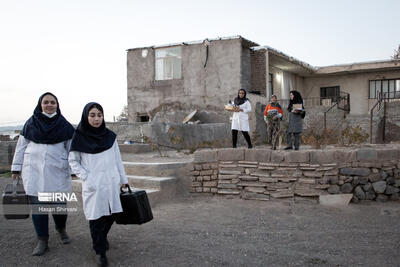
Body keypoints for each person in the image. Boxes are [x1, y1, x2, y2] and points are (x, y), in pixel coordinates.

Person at [11, 92, 75, 256]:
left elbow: (72, 150)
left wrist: (74, 169)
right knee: (38, 208)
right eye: (46, 102)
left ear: (57, 105)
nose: (49, 105)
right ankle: (42, 240)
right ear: (40, 104)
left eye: (52, 102)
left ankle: (61, 229)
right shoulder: (30, 124)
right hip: (34, 172)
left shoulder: (65, 126)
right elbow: (21, 147)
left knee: (59, 208)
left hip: (57, 172)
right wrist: (16, 168)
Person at [68, 102, 129, 267]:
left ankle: (101, 239)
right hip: (93, 184)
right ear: (86, 116)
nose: (96, 119)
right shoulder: (79, 137)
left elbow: (117, 160)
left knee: (112, 214)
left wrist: (123, 179)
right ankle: (100, 251)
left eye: (99, 115)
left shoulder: (110, 137)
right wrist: (86, 177)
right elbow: (73, 161)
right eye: (92, 115)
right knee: (96, 217)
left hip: (111, 182)